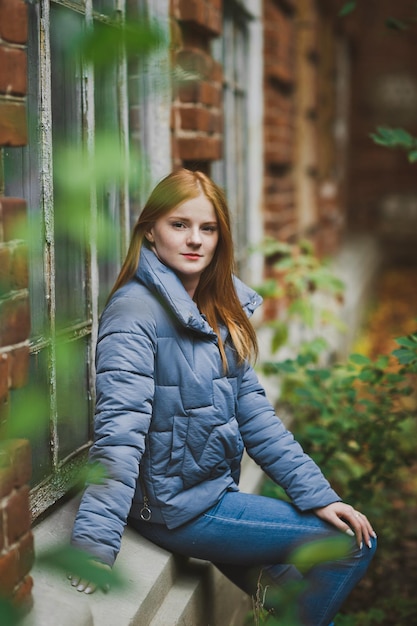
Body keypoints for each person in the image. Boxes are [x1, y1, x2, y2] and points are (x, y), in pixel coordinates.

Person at [69, 168, 376, 625]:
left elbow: (257, 419)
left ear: (219, 237)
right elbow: (120, 431)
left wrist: (319, 497)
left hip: (210, 495)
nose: (195, 239)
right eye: (180, 225)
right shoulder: (135, 312)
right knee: (351, 544)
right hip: (177, 509)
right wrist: (93, 545)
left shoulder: (215, 310)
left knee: (298, 601)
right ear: (150, 231)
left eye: (207, 228)